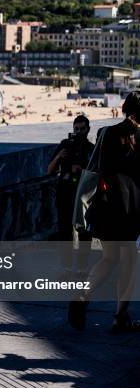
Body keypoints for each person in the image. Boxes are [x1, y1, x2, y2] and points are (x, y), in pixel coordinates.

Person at [68, 91, 140, 332]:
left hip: (108, 204)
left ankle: (82, 296)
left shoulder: (105, 133)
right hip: (132, 207)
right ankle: (120, 316)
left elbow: (95, 168)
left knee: (109, 258)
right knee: (129, 261)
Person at [47, 115, 94, 277]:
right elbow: (49, 170)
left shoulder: (91, 150)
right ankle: (66, 267)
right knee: (65, 232)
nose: (79, 132)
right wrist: (60, 157)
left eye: (82, 129)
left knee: (84, 232)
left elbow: (97, 174)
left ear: (88, 130)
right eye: (76, 129)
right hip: (65, 193)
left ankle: (82, 267)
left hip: (83, 195)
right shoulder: (64, 146)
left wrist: (81, 171)